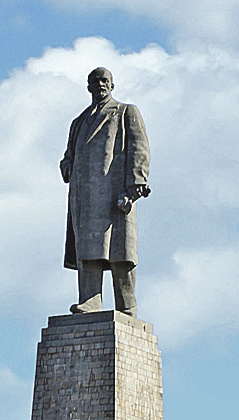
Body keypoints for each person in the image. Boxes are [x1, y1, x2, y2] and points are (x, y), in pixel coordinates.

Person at [60, 66, 150, 317]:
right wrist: (67, 166)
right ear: (88, 86)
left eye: (105, 81)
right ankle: (89, 300)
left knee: (119, 253)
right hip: (85, 196)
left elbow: (139, 148)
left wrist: (135, 186)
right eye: (95, 81)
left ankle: (127, 306)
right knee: (89, 250)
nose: (100, 85)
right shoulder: (78, 122)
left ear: (112, 85)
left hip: (114, 193)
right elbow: (69, 155)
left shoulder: (125, 112)